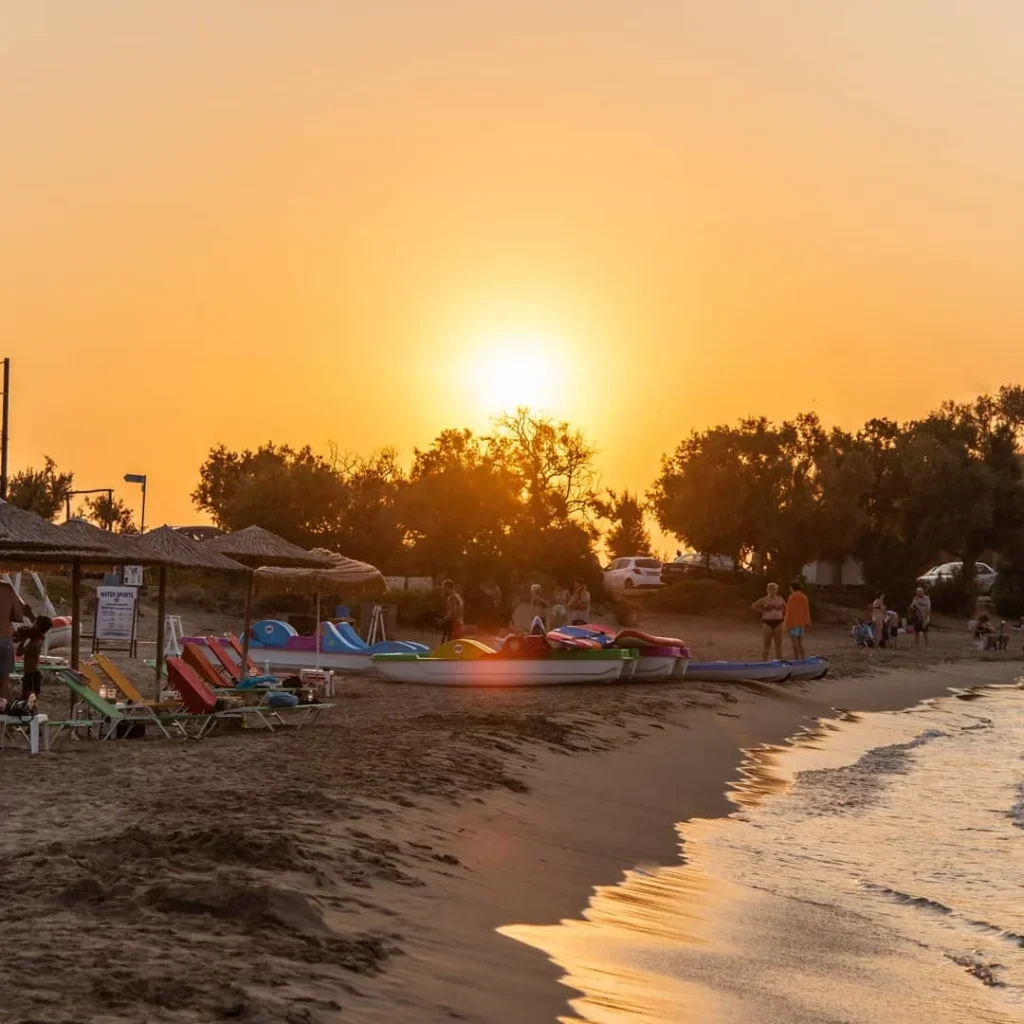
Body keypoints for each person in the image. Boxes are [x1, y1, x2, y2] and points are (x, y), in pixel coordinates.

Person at [0, 579, 26, 703]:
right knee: (3, 680)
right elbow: (18, 616)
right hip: (5, 637)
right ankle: (6, 708)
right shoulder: (8, 589)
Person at [15, 616, 52, 701]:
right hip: (31, 673)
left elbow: (19, 653)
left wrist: (23, 640)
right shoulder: (38, 639)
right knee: (30, 699)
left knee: (28, 699)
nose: (32, 626)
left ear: (38, 627)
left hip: (31, 675)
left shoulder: (34, 642)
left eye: (35, 624)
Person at [752, 582, 786, 661]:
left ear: (776, 590)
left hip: (778, 622)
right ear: (767, 590)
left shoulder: (780, 599)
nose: (772, 591)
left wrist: (782, 612)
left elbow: (786, 606)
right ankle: (764, 661)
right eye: (770, 589)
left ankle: (779, 661)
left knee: (778, 644)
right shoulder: (764, 599)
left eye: (774, 589)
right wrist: (761, 610)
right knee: (767, 644)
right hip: (767, 622)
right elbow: (753, 606)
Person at [784, 580, 810, 660]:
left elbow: (789, 611)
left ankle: (797, 659)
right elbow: (806, 610)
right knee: (799, 642)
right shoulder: (804, 596)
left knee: (794, 642)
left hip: (793, 622)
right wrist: (807, 622)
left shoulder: (792, 597)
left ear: (792, 587)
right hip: (801, 622)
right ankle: (803, 658)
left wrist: (787, 623)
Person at [439, 580, 464, 644]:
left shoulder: (451, 598)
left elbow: (452, 612)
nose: (444, 591)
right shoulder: (457, 597)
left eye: (444, 588)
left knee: (451, 645)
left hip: (454, 624)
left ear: (447, 587)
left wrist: (443, 620)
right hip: (459, 623)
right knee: (457, 644)